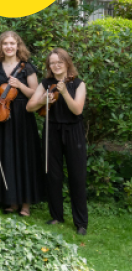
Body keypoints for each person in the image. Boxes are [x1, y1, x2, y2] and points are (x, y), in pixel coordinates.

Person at [0, 30, 44, 217]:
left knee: (24, 157)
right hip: (1, 116)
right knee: (6, 156)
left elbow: (36, 94)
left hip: (23, 117)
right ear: (1, 46)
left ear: (18, 46)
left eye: (12, 43)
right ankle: (11, 200)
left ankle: (26, 203)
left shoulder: (27, 68)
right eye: (5, 43)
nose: (9, 47)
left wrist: (20, 86)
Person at [26, 48, 88, 235]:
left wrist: (65, 93)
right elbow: (30, 107)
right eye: (52, 63)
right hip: (51, 130)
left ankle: (81, 222)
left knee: (77, 176)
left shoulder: (78, 84)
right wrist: (43, 99)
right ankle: (56, 216)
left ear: (67, 63)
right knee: (53, 174)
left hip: (73, 131)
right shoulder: (45, 83)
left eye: (59, 62)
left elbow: (77, 110)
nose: (56, 65)